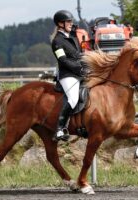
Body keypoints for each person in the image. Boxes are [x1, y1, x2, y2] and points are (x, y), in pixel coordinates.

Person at [51, 10, 84, 141]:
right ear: (60, 23)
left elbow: (78, 56)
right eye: (68, 21)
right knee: (73, 98)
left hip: (79, 72)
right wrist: (79, 69)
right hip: (68, 75)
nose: (71, 23)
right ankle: (59, 128)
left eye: (71, 21)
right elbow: (63, 60)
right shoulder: (57, 41)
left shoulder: (72, 38)